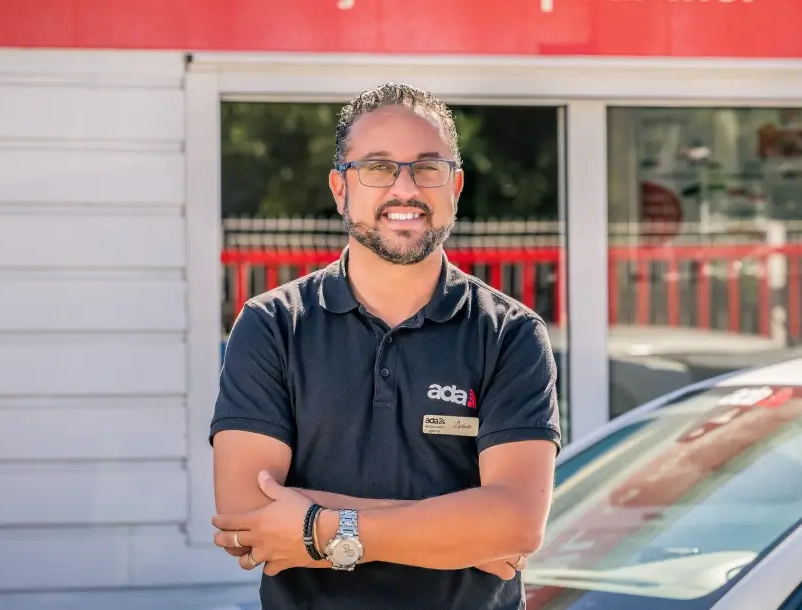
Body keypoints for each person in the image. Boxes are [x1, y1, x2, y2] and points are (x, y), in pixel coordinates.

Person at [208, 82, 561, 609]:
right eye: (376, 167)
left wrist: (317, 529)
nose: (405, 189)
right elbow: (245, 514)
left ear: (455, 185)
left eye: (427, 167)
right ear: (339, 187)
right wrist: (463, 535)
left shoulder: (510, 334)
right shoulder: (272, 325)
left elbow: (515, 524)